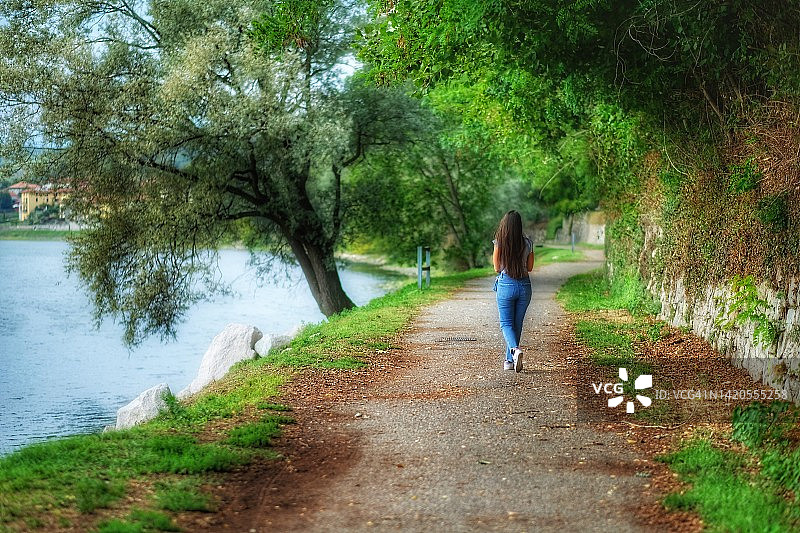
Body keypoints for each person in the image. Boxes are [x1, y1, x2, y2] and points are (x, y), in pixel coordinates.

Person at [492, 210, 534, 372]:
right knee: (516, 324)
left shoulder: (499, 242)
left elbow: (497, 268)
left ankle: (515, 351)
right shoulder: (528, 243)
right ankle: (510, 361)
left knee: (506, 324)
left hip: (506, 285)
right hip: (524, 286)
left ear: (505, 226)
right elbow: (529, 268)